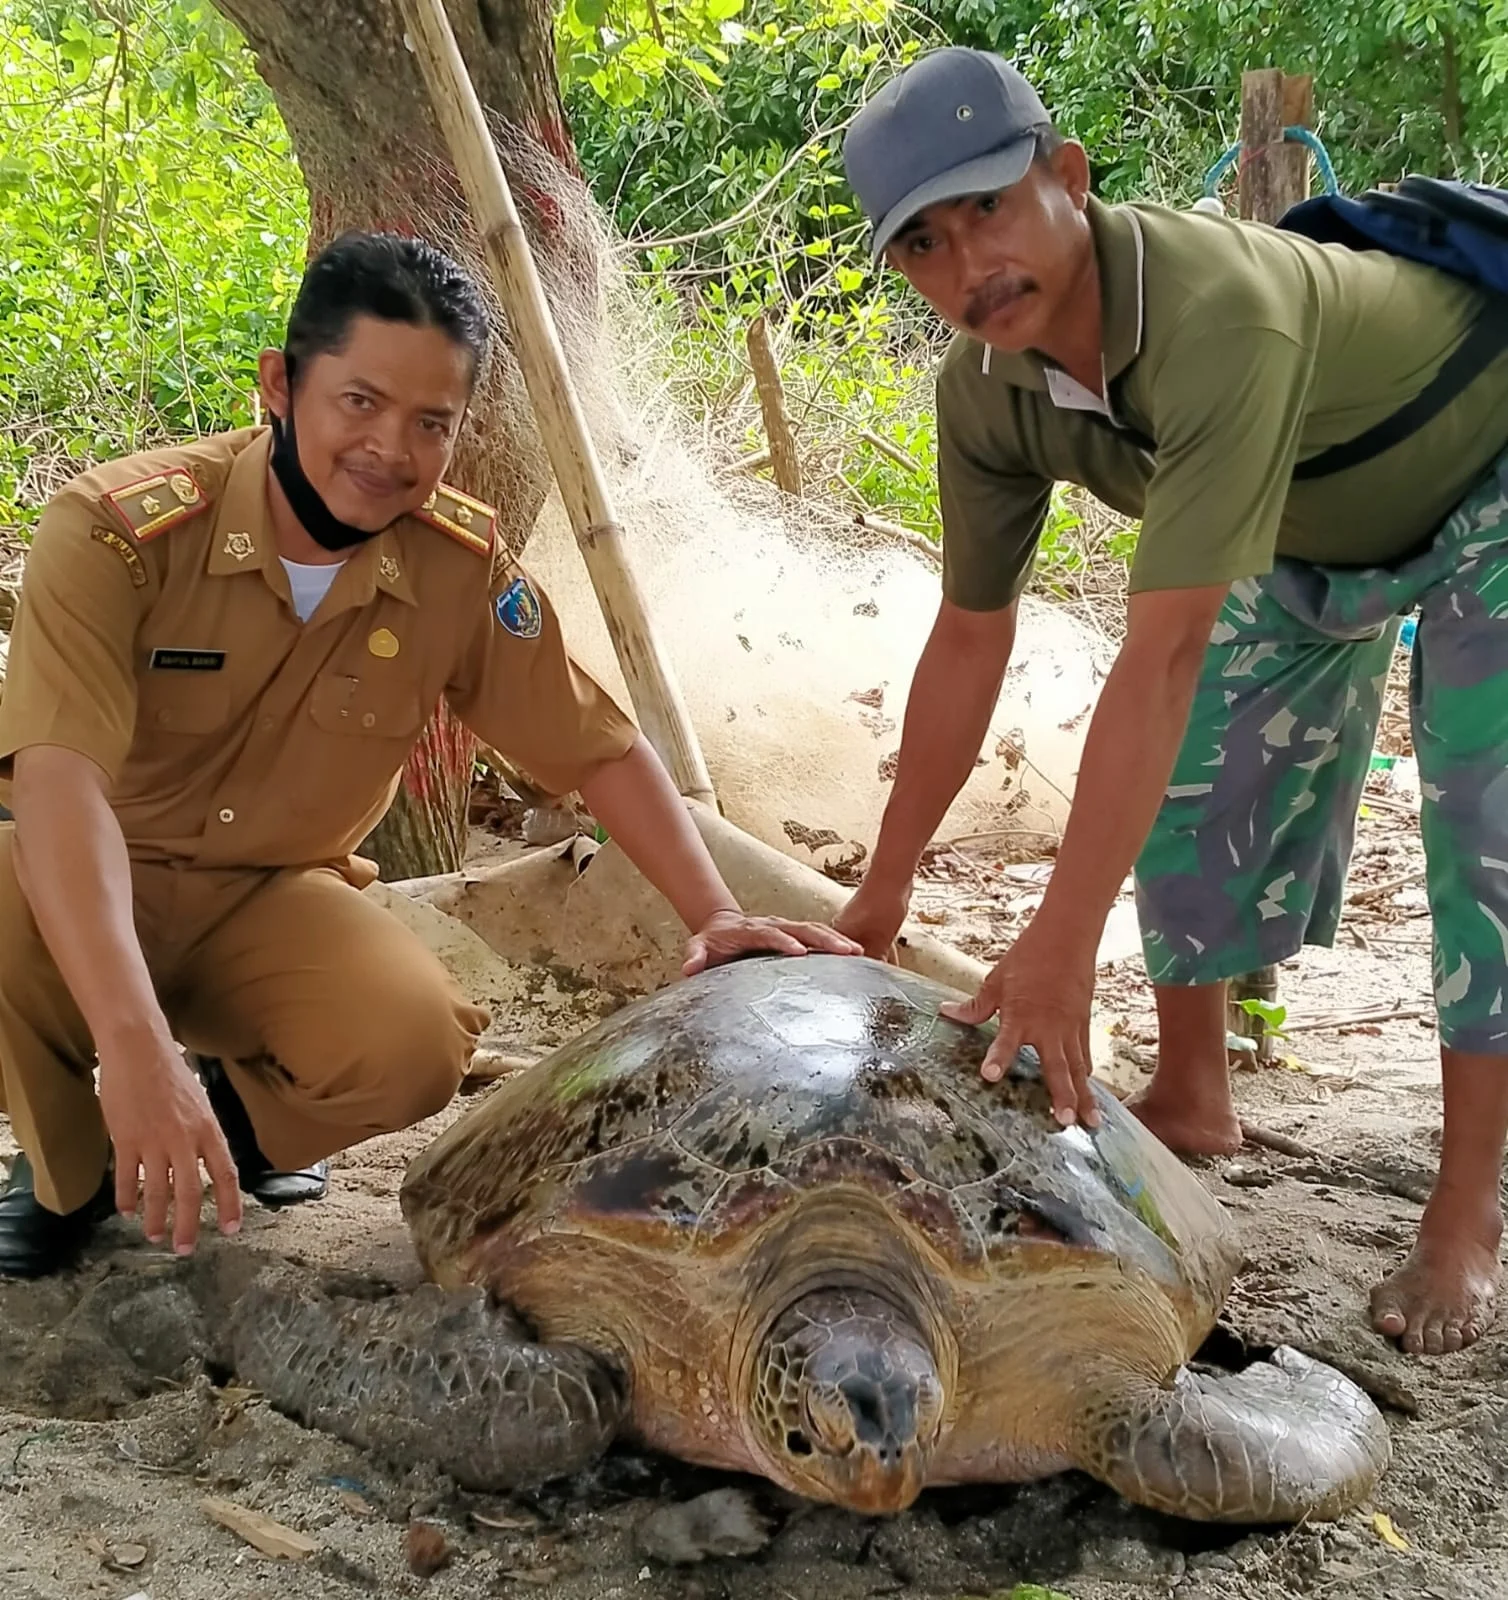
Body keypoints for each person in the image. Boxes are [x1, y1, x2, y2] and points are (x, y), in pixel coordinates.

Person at [0, 230, 859, 1280]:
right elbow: (56, 781)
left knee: (411, 1041)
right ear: (281, 384)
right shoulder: (118, 530)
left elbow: (594, 746)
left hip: (269, 898)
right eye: (358, 402)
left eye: (430, 422)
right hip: (83, 872)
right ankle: (67, 1176)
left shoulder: (455, 565)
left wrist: (714, 913)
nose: (390, 450)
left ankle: (233, 1121)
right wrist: (132, 1046)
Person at [835, 46, 1508, 1357]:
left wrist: (1059, 945)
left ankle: (1470, 1208)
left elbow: (1162, 652)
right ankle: (1195, 1093)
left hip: (1488, 471)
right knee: (1196, 776)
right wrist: (883, 886)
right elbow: (970, 640)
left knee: (1485, 831)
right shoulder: (988, 397)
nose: (969, 263)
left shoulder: (1213, 313)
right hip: (1313, 522)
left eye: (988, 208)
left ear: (1068, 180)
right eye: (922, 243)